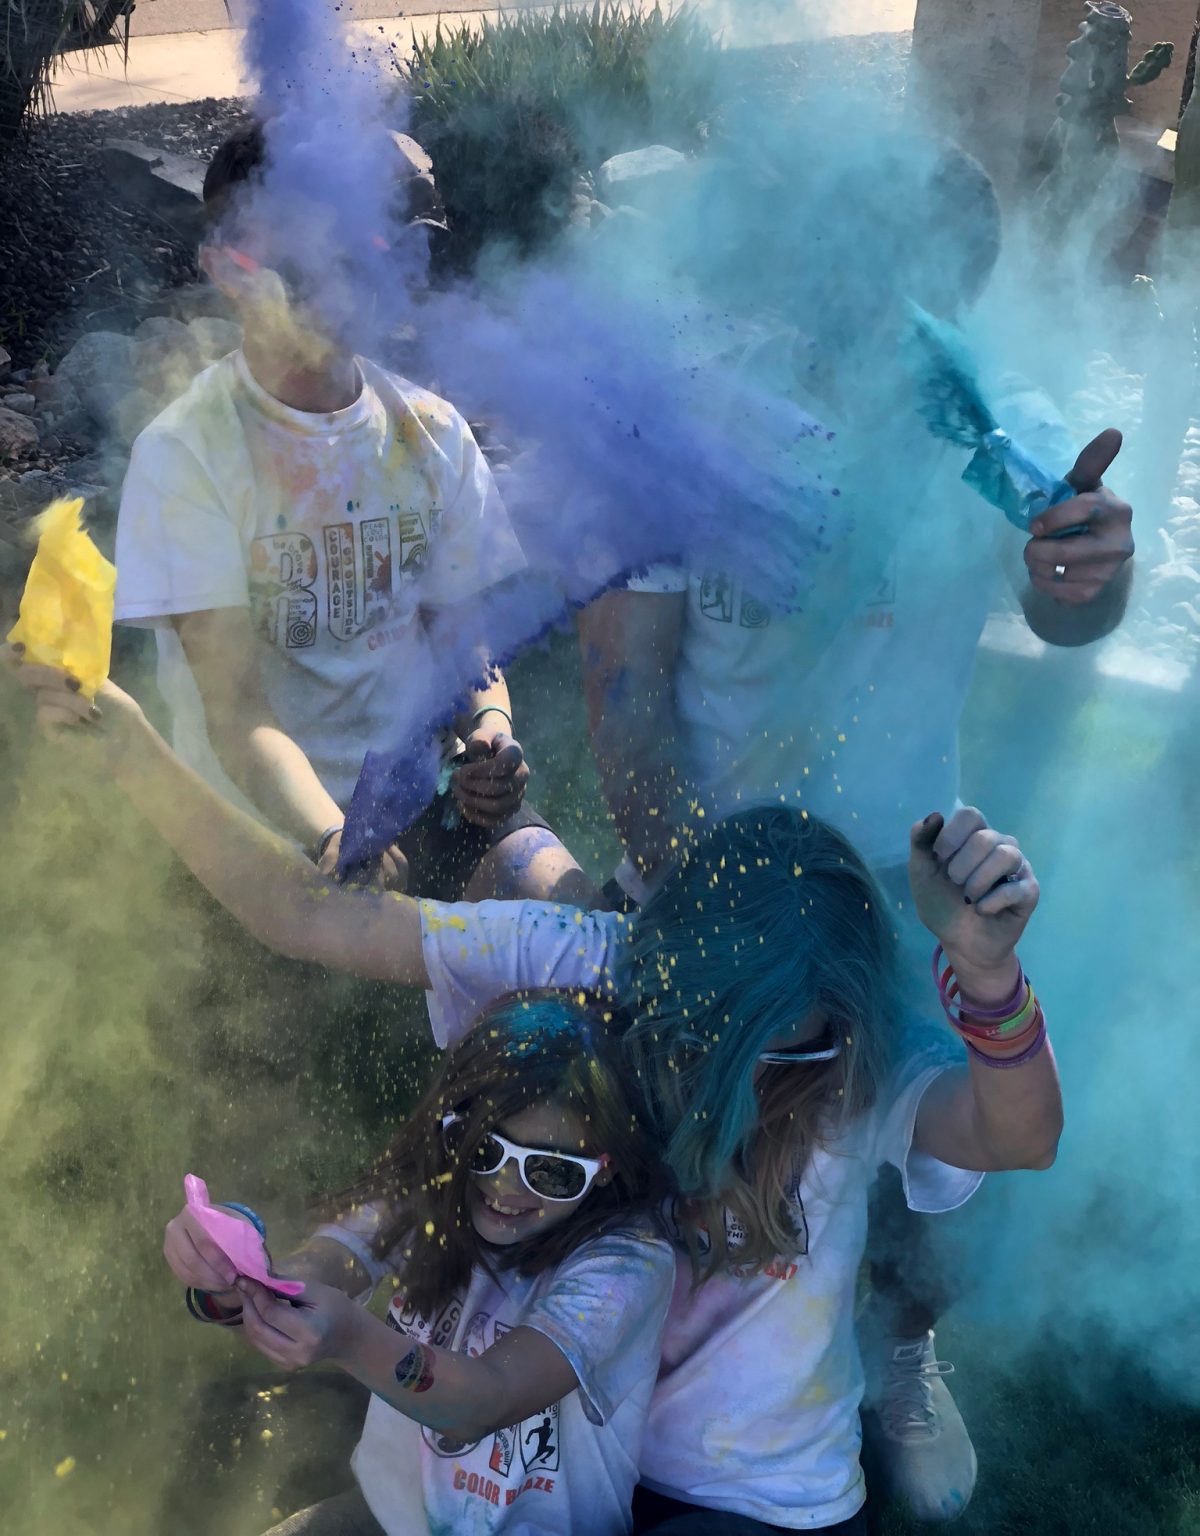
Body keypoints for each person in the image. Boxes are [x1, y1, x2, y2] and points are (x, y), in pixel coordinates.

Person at [9, 654, 1062, 1534]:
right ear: (654, 970)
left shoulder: (855, 1056)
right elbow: (311, 918)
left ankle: (899, 1362)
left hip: (743, 1487)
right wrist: (133, 753)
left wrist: (986, 973)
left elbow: (1016, 1134)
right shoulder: (604, 960)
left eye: (774, 1056)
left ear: (836, 1027)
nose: (727, 1086)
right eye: (696, 1043)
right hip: (546, 1455)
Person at [576, 137, 1122, 1517]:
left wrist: (1085, 568)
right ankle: (642, 1355)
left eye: (917, 273)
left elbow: (1071, 586)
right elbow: (627, 689)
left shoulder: (985, 420)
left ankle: (899, 1346)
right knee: (703, 1150)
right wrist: (688, 887)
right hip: (715, 862)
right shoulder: (682, 421)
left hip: (900, 870)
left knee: (952, 1150)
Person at [113, 120, 590, 904]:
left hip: (425, 802)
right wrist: (332, 835)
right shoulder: (186, 454)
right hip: (257, 831)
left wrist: (488, 731)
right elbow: (235, 712)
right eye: (293, 259)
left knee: (571, 919)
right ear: (225, 270)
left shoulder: (430, 432)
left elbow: (459, 637)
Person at [164, 990, 675, 1535]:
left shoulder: (629, 1265)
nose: (502, 1186)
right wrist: (230, 1271)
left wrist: (352, 1340)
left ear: (607, 1166)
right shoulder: (425, 1199)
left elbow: (488, 1399)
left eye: (549, 1172)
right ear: (448, 1127)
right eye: (482, 1149)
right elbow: (312, 1273)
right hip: (384, 1520)